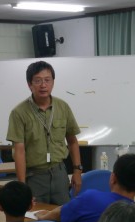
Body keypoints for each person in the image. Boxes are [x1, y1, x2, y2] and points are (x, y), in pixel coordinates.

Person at [6, 60, 83, 205]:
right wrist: (23, 187)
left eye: (47, 80)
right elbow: (19, 151)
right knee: (35, 221)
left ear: (53, 82)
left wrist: (77, 171)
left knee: (63, 218)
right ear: (29, 84)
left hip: (59, 172)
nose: (43, 85)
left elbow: (72, 141)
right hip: (34, 176)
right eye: (38, 81)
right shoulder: (19, 112)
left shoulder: (63, 107)